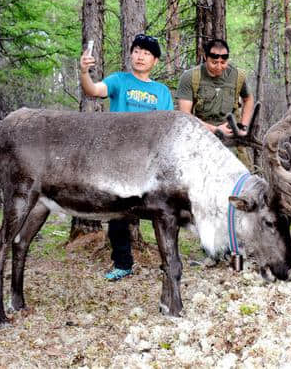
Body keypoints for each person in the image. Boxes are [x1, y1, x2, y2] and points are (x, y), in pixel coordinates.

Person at [79, 34, 173, 281]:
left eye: (147, 54)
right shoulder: (119, 81)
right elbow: (92, 90)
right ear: (131, 54)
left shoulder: (161, 91)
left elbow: (168, 127)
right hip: (117, 159)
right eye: (137, 51)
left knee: (160, 212)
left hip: (148, 162)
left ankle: (168, 262)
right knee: (118, 214)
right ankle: (123, 264)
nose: (140, 57)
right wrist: (83, 72)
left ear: (154, 61)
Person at [175, 39, 255, 168]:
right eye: (214, 62)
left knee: (243, 177)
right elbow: (185, 115)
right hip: (200, 136)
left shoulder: (237, 76)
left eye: (223, 62)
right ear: (205, 57)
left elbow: (248, 99)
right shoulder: (190, 77)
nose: (219, 66)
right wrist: (215, 130)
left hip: (231, 138)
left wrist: (243, 127)